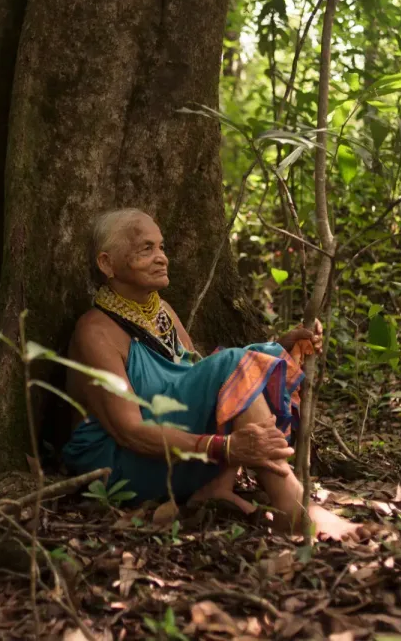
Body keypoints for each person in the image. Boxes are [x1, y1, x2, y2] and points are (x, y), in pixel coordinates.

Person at [62, 208, 358, 540]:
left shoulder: (163, 313)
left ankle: (220, 488)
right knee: (233, 364)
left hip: (169, 452)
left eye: (161, 247)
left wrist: (278, 347)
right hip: (118, 468)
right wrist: (226, 448)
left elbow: (205, 381)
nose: (162, 258)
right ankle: (292, 505)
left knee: (241, 366)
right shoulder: (94, 332)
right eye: (146, 249)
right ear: (106, 264)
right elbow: (129, 431)